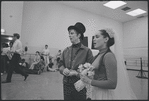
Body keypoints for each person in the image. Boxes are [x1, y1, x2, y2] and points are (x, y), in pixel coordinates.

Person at [80, 28, 137, 100]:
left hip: (103, 94)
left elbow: (112, 84)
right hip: (95, 92)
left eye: (97, 37)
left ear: (106, 39)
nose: (94, 39)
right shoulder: (98, 55)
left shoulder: (108, 56)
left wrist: (90, 81)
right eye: (93, 37)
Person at [58, 22, 93, 100]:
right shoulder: (66, 50)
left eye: (72, 33)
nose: (69, 35)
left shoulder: (87, 51)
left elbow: (91, 71)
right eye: (69, 33)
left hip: (80, 86)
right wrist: (63, 69)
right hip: (66, 85)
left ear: (79, 35)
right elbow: (60, 64)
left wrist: (76, 73)